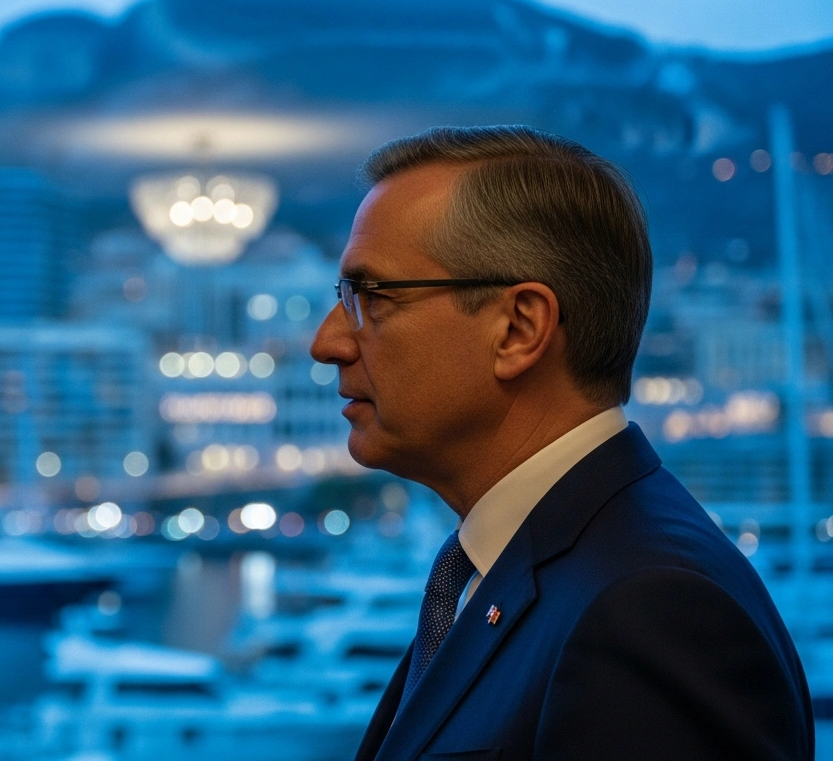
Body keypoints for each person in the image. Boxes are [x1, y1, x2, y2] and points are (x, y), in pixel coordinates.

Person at [311, 126, 813, 760]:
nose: (327, 342)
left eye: (372, 297)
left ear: (520, 328)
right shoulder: (546, 570)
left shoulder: (646, 609)